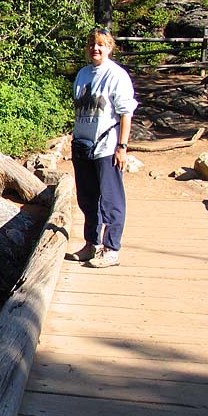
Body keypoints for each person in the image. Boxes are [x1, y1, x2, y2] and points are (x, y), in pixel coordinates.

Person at [66, 26, 137, 268]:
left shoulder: (117, 76)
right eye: (92, 44)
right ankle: (91, 244)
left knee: (111, 199)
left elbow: (126, 113)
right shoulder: (83, 74)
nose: (95, 48)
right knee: (87, 198)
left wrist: (122, 147)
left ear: (109, 48)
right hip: (82, 146)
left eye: (101, 45)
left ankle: (111, 248)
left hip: (106, 147)